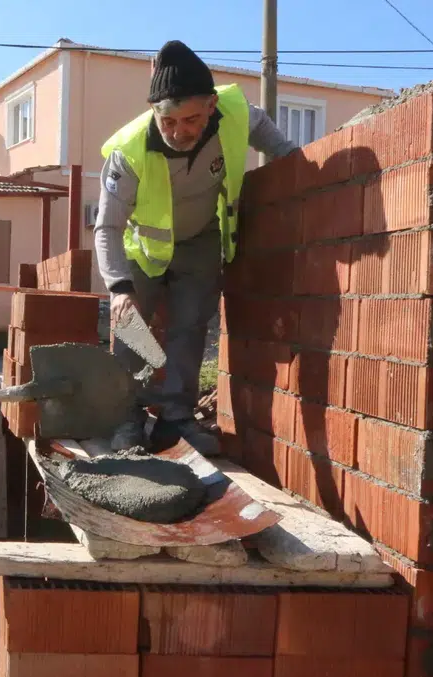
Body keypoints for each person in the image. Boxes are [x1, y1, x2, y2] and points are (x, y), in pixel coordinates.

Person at [95, 40, 297, 456]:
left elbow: (276, 144)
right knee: (133, 330)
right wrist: (118, 288)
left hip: (202, 240)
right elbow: (107, 227)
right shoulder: (128, 154)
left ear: (210, 106)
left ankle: (175, 421)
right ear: (155, 112)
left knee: (190, 329)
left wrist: (300, 171)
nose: (178, 131)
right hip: (143, 252)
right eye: (168, 121)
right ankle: (127, 419)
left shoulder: (237, 113)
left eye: (190, 120)